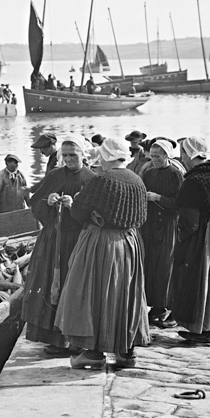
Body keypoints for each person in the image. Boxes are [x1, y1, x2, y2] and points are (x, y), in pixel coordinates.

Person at [54, 137, 149, 370]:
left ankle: (93, 353)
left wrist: (75, 203)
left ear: (106, 156)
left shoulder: (102, 181)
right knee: (126, 295)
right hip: (129, 243)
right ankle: (127, 352)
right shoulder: (137, 180)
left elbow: (79, 212)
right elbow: (141, 216)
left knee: (94, 292)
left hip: (102, 242)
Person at [22, 136, 97, 355]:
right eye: (65, 155)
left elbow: (94, 216)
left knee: (71, 286)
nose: (69, 159)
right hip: (52, 238)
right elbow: (36, 205)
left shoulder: (91, 179)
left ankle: (72, 340)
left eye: (73, 155)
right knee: (48, 283)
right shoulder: (54, 175)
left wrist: (74, 206)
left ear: (83, 154)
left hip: (76, 240)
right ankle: (52, 336)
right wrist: (48, 201)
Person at [166, 136, 210, 345]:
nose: (181, 158)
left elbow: (189, 219)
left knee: (199, 277)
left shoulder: (194, 180)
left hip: (202, 232)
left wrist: (182, 239)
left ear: (190, 154)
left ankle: (204, 330)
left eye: (183, 153)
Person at [141, 137, 186, 329]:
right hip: (150, 225)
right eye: (152, 156)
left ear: (167, 155)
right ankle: (156, 305)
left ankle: (167, 305)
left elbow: (180, 204)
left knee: (165, 267)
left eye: (157, 156)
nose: (154, 160)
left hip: (167, 225)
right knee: (151, 265)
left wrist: (159, 198)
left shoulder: (175, 174)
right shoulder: (148, 172)